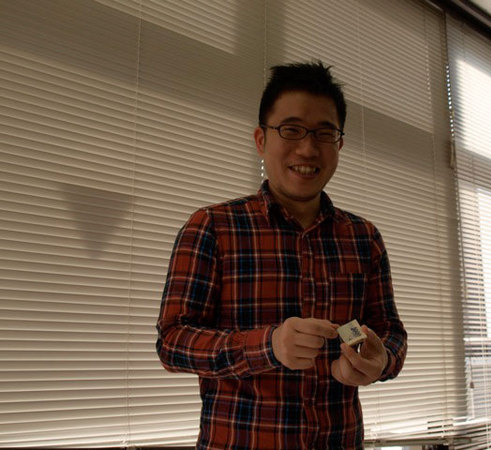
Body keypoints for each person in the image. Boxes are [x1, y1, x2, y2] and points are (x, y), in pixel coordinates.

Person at [156, 61, 407, 449]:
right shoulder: (212, 226)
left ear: (339, 145)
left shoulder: (363, 237)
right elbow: (173, 342)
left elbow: (389, 332)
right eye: (291, 129)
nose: (308, 148)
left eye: (324, 133)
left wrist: (379, 360)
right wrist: (268, 346)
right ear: (261, 140)